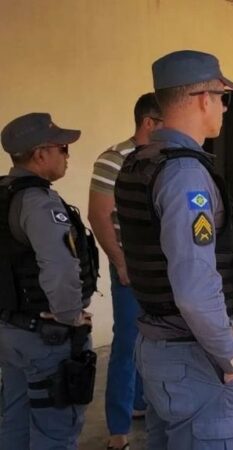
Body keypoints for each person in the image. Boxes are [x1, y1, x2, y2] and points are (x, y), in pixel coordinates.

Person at [114, 50, 233, 450]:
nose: (225, 108)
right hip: (192, 355)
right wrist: (230, 359)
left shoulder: (142, 161)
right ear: (202, 99)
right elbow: (195, 290)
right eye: (222, 97)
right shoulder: (184, 174)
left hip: (159, 347)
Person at [0, 113, 99, 449]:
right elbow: (59, 267)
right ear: (40, 154)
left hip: (11, 333)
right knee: (55, 431)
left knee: (15, 421)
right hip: (44, 339)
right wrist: (70, 315)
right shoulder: (38, 203)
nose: (67, 155)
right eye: (62, 148)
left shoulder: (4, 194)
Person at [88, 93, 162, 450]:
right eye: (166, 124)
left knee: (156, 339)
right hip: (131, 271)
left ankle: (140, 404)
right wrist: (120, 262)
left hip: (161, 272)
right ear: (149, 123)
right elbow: (98, 216)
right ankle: (118, 431)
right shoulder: (113, 159)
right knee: (127, 344)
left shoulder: (165, 158)